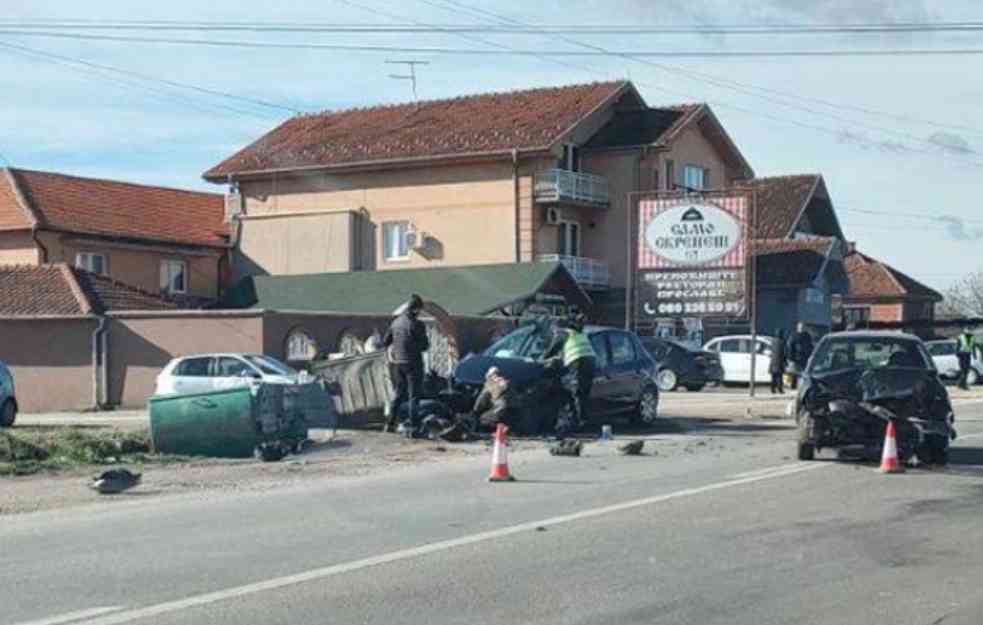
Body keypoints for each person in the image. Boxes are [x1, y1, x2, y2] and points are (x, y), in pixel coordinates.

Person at [383, 294, 430, 436]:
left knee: (398, 393)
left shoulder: (396, 322)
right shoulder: (417, 324)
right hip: (413, 363)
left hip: (398, 363)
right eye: (420, 310)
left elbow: (385, 342)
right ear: (416, 309)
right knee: (413, 396)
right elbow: (425, 346)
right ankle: (414, 426)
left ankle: (389, 424)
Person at [545, 313, 597, 433]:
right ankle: (580, 421)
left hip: (578, 362)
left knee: (575, 393)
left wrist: (544, 358)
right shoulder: (580, 333)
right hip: (590, 362)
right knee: (582, 393)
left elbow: (552, 349)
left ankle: (579, 425)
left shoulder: (564, 333)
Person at [787, 322, 814, 390]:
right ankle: (793, 386)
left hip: (805, 358)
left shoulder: (807, 336)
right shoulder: (794, 336)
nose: (801, 328)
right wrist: (790, 358)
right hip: (796, 358)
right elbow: (790, 347)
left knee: (804, 374)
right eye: (800, 327)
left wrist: (811, 355)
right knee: (795, 374)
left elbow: (810, 346)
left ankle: (801, 387)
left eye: (803, 327)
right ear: (797, 328)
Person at [770, 329, 787, 395]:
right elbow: (784, 352)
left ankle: (772, 389)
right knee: (779, 376)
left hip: (773, 361)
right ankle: (780, 389)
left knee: (773, 376)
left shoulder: (773, 341)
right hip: (780, 361)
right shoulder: (782, 342)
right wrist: (785, 361)